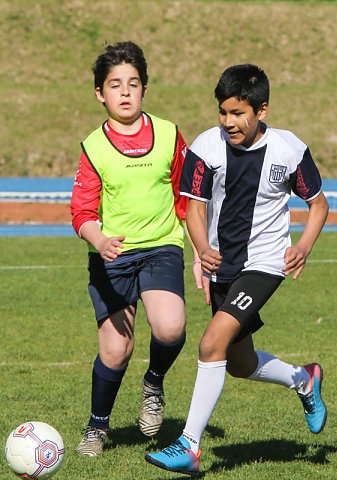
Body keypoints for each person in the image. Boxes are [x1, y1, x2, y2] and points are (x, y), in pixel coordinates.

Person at [145, 63, 329, 475]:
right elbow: (194, 208)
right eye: (222, 112)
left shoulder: (289, 151)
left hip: (264, 265)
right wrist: (201, 248)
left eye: (237, 113)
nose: (228, 122)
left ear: (262, 111)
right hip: (221, 268)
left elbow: (318, 204)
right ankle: (304, 379)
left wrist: (303, 245)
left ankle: (189, 446)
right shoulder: (206, 147)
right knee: (240, 363)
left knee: (211, 344)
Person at [70, 41, 201, 457]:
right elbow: (82, 210)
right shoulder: (93, 145)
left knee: (170, 328)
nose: (124, 92)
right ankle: (97, 427)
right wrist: (100, 239)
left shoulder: (169, 133)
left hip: (161, 246)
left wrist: (200, 251)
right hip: (113, 255)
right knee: (116, 348)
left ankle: (154, 384)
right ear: (100, 94)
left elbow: (187, 199)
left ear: (144, 89)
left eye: (133, 83)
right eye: (114, 85)